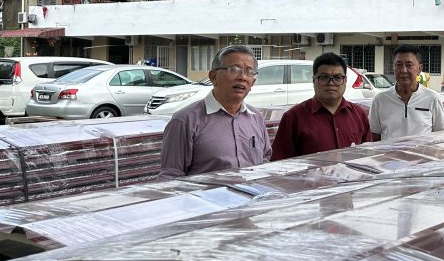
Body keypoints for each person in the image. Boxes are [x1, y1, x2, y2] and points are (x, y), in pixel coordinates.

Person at [158, 45, 271, 180]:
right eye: (234, 69)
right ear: (213, 77)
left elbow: (265, 162)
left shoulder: (256, 118)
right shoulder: (185, 120)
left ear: (253, 82)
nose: (242, 77)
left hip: (254, 197)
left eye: (249, 72)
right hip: (205, 199)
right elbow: (171, 176)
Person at [271, 52, 371, 159]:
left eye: (337, 77)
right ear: (314, 81)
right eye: (324, 77)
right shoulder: (293, 118)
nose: (331, 83)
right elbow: (280, 165)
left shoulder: (359, 115)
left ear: (345, 81)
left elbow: (367, 157)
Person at [369, 45, 444, 141]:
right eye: (399, 65)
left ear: (419, 68)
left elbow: (440, 134)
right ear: (393, 67)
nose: (403, 70)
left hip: (422, 156)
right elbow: (374, 135)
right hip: (389, 155)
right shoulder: (380, 100)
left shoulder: (432, 98)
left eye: (409, 65)